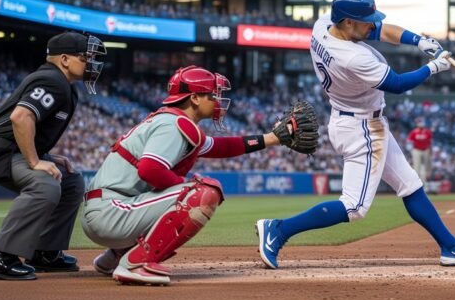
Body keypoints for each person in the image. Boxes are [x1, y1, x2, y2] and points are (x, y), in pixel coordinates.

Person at [256, 0, 455, 269]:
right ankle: (278, 230)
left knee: (410, 184)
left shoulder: (323, 26)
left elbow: (383, 30)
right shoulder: (353, 57)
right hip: (362, 127)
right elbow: (398, 85)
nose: (372, 25)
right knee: (353, 207)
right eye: (365, 21)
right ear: (348, 23)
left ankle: (451, 247)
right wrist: (434, 67)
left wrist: (418, 40)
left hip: (354, 118)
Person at [81, 66, 317, 285]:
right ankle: (134, 264)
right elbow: (149, 169)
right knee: (202, 192)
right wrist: (185, 189)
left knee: (191, 189)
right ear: (194, 98)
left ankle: (114, 256)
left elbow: (221, 147)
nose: (216, 101)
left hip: (109, 209)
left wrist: (271, 138)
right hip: (112, 212)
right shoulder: (175, 124)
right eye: (211, 96)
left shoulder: (172, 121)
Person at [0, 32, 106, 280]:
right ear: (64, 59)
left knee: (71, 181)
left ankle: (44, 251)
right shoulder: (52, 80)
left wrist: (47, 157)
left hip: (8, 150)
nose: (91, 63)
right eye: (85, 57)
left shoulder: (62, 84)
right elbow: (21, 117)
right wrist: (34, 161)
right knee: (45, 185)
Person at [407, 118, 433, 183]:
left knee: (426, 167)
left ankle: (425, 181)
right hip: (416, 150)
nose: (420, 124)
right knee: (416, 166)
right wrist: (410, 151)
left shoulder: (427, 132)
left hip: (425, 150)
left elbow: (430, 142)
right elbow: (409, 142)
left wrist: (430, 151)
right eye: (419, 123)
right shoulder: (414, 132)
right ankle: (416, 182)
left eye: (421, 123)